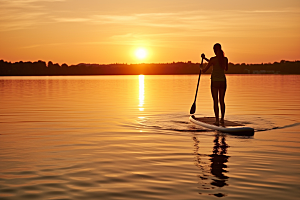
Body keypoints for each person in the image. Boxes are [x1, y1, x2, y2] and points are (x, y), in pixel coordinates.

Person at [201, 43, 228, 125]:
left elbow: (204, 70)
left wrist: (201, 67)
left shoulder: (213, 59)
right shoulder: (225, 59)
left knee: (215, 101)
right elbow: (226, 69)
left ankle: (217, 120)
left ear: (214, 50)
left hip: (215, 82)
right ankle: (222, 119)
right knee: (222, 101)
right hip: (223, 82)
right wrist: (205, 58)